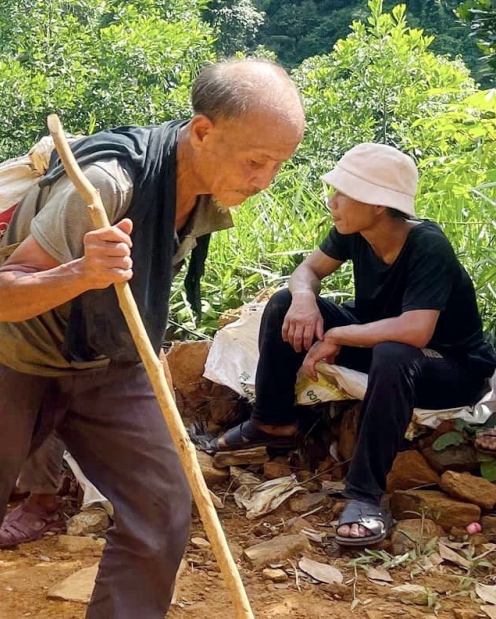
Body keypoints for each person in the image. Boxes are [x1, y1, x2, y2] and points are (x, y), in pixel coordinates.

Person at [0, 59, 306, 619]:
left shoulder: (205, 190)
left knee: (162, 508)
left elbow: (140, 289)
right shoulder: (109, 185)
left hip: (111, 365)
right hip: (19, 360)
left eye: (279, 165)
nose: (264, 181)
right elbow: (2, 296)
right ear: (203, 132)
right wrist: (81, 273)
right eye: (257, 161)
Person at [201, 143, 496, 547]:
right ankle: (272, 422)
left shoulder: (428, 245)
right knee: (286, 303)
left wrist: (339, 335)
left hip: (448, 364)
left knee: (395, 353)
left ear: (377, 204)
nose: (331, 202)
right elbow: (307, 270)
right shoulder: (353, 231)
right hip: (383, 337)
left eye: (342, 193)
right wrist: (304, 301)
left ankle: (365, 495)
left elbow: (416, 331)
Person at [0, 349, 93, 547]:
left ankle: (41, 503)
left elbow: (50, 345)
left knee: (40, 386)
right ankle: (10, 481)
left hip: (85, 392)